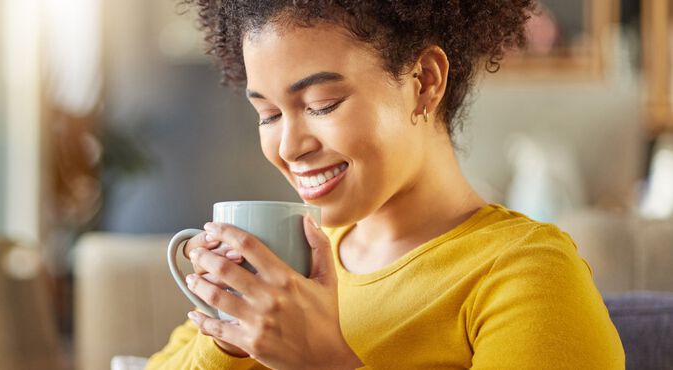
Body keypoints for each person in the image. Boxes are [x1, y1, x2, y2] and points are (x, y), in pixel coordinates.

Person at [146, 1, 625, 369]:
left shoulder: (525, 276)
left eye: (322, 104)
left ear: (424, 81)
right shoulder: (289, 265)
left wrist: (329, 363)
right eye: (267, 115)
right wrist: (229, 340)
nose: (288, 147)